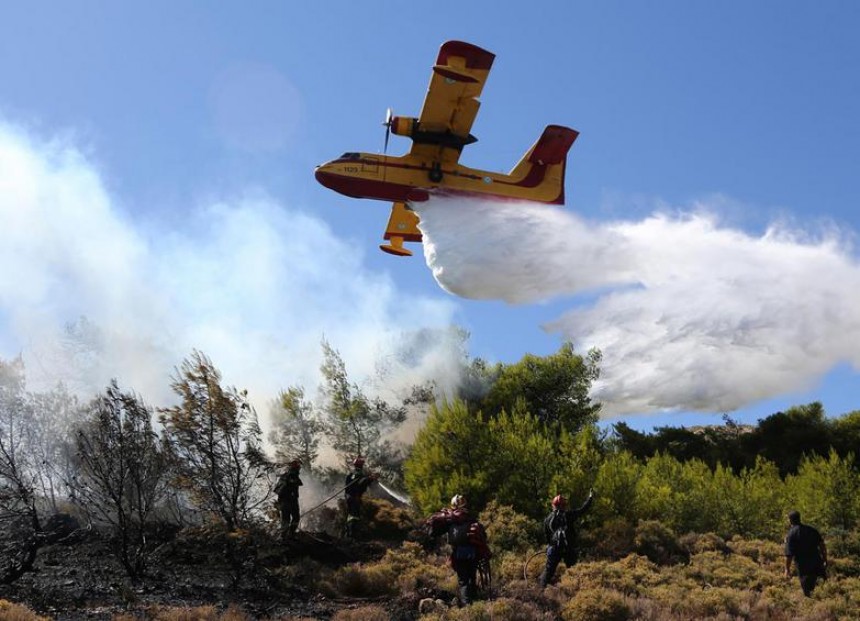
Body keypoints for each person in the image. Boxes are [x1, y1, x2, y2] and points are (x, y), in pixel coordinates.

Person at [425, 494, 491, 606]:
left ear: (453, 505)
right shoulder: (470, 517)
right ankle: (475, 603)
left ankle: (467, 606)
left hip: (458, 554)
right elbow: (482, 535)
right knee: (472, 577)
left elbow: (435, 532)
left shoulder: (450, 520)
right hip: (472, 553)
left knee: (463, 581)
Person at [539, 489, 594, 587]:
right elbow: (582, 509)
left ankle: (540, 590)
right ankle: (575, 592)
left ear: (553, 505)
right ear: (563, 506)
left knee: (548, 571)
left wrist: (549, 545)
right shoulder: (569, 515)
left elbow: (546, 535)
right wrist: (590, 498)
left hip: (554, 548)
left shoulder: (547, 519)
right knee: (573, 571)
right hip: (568, 548)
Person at [784, 510, 827, 597]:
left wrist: (787, 569)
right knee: (824, 589)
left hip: (804, 568)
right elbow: (822, 545)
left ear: (790, 520)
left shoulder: (791, 534)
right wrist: (825, 559)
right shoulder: (811, 530)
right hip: (817, 563)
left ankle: (814, 609)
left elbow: (789, 555)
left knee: (809, 594)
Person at [343, 457, 376, 538]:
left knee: (350, 515)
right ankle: (352, 535)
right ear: (361, 465)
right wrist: (371, 479)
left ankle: (347, 533)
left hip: (348, 497)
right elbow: (361, 483)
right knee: (355, 516)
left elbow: (347, 487)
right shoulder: (359, 474)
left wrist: (347, 496)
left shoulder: (351, 474)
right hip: (355, 498)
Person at [275, 459, 303, 539]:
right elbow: (294, 483)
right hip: (289, 500)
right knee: (295, 517)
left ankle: (284, 537)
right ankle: (289, 535)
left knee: (285, 519)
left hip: (284, 500)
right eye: (298, 466)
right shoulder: (291, 475)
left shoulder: (285, 475)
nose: (299, 468)